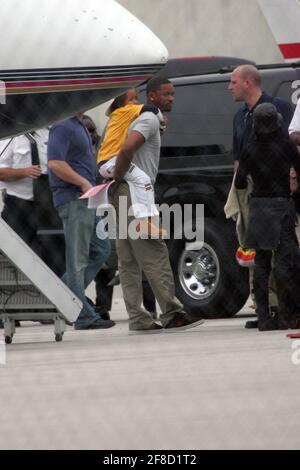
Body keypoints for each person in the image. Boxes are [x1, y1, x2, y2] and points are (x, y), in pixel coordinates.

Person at [109, 76, 205, 333]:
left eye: (173, 94)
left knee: (128, 259)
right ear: (152, 96)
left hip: (118, 193)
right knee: (153, 250)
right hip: (134, 193)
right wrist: (120, 174)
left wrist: (115, 180)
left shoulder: (136, 119)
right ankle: (173, 313)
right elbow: (128, 148)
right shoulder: (150, 118)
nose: (171, 98)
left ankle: (137, 318)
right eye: (166, 94)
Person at [228, 64, 294, 328]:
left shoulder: (279, 106)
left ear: (247, 83)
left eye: (232, 82)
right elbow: (237, 158)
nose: (229, 87)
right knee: (264, 255)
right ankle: (268, 310)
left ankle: (277, 309)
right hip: (259, 196)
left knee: (275, 256)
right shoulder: (240, 116)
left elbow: (291, 145)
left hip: (270, 196)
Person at [47, 114, 115, 331]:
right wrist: (84, 182)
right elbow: (55, 163)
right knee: (78, 260)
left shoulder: (78, 124)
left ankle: (63, 298)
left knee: (101, 249)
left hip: (88, 198)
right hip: (74, 199)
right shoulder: (62, 126)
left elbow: (78, 161)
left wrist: (96, 179)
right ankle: (82, 314)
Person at [98, 88, 166, 237]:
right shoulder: (126, 111)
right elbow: (153, 109)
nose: (136, 102)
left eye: (136, 98)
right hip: (110, 161)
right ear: (121, 105)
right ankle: (144, 222)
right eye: (132, 99)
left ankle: (145, 221)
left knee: (137, 182)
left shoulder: (117, 116)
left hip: (105, 161)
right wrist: (161, 124)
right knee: (143, 180)